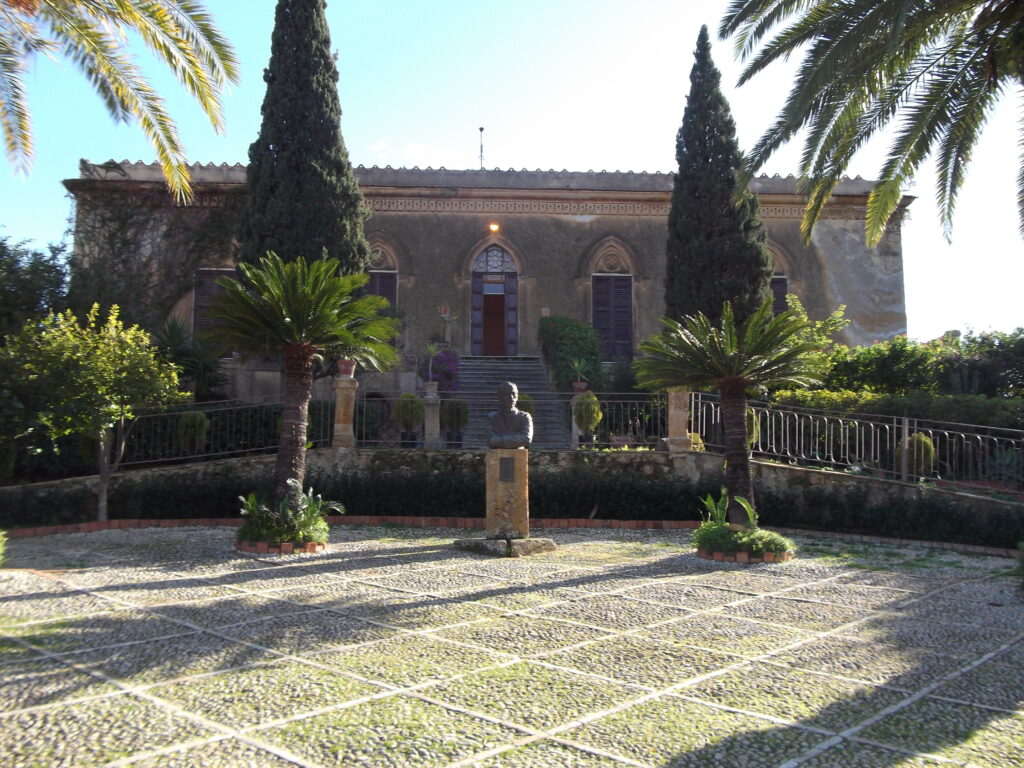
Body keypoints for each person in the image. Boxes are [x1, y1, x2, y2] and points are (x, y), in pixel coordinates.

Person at [488, 381, 533, 448]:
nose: (511, 397)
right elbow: (490, 440)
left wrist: (500, 439)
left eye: (513, 393)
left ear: (517, 396)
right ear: (499, 397)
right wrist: (516, 437)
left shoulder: (524, 417)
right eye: (506, 394)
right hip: (498, 452)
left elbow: (526, 438)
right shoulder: (492, 417)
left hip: (518, 452)